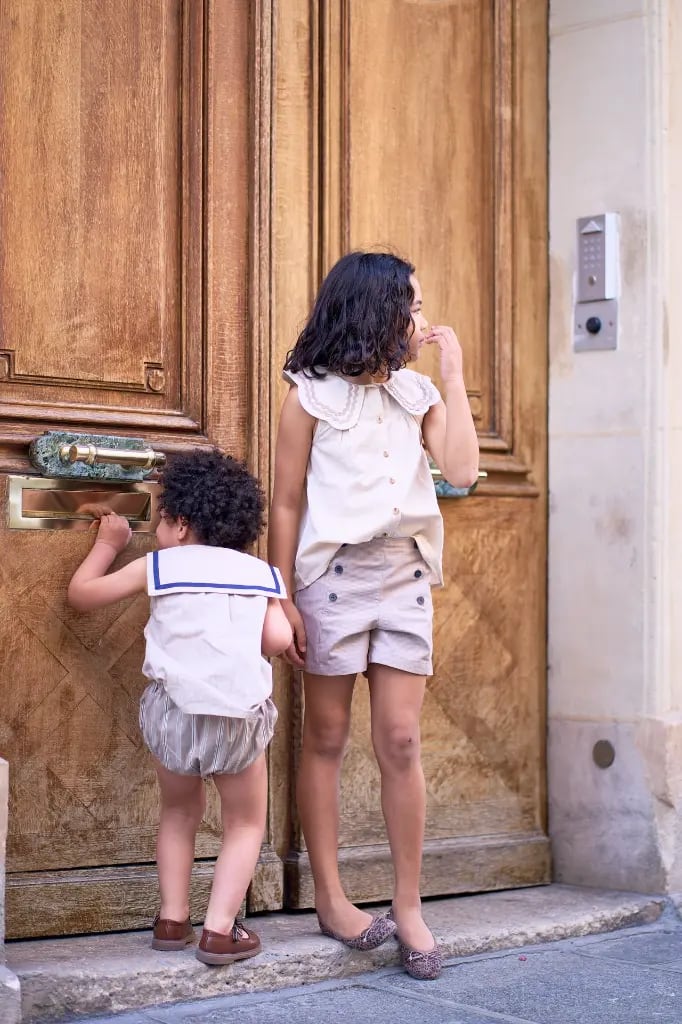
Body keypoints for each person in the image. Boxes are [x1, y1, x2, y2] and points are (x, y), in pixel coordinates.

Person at [268, 250, 479, 980]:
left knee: (401, 738)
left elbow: (462, 471)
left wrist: (453, 377)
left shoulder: (418, 394)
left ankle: (409, 905)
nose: (421, 318)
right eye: (411, 305)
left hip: (405, 575)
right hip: (331, 579)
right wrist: (280, 596)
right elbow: (286, 503)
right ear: (375, 310)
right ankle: (330, 899)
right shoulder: (309, 398)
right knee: (325, 735)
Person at [67, 448, 292, 966]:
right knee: (244, 823)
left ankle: (171, 921)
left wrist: (108, 544)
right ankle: (219, 932)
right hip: (237, 719)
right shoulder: (260, 573)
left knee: (177, 811)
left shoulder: (161, 565)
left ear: (182, 524)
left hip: (174, 717)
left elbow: (82, 595)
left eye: (162, 520)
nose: (158, 530)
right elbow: (278, 639)